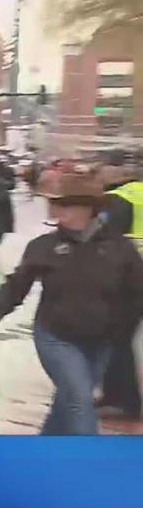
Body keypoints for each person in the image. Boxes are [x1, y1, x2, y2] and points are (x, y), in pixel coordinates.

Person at [0, 169, 143, 435]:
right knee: (80, 399)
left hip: (102, 340)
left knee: (67, 401)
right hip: (55, 335)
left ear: (88, 209)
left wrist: (121, 330)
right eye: (54, 204)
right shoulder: (44, 247)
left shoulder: (121, 250)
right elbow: (16, 286)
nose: (56, 212)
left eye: (64, 205)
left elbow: (136, 293)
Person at [99, 168, 143, 420]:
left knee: (117, 339)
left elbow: (107, 241)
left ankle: (123, 401)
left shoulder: (118, 198)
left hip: (128, 279)